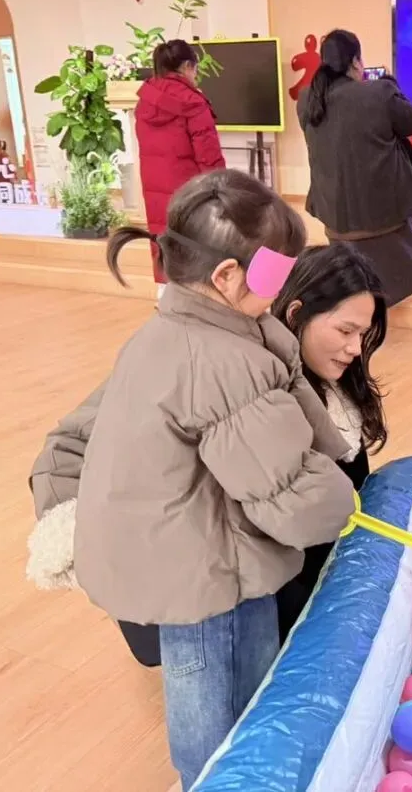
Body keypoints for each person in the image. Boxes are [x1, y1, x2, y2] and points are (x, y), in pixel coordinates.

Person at [75, 169, 356, 790]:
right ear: (228, 277)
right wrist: (350, 505)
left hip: (183, 555)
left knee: (226, 689)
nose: (284, 285)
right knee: (218, 708)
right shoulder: (220, 363)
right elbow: (286, 497)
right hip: (204, 576)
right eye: (276, 273)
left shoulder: (179, 330)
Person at [26, 244, 389, 659]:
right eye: (345, 331)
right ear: (295, 314)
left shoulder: (333, 396)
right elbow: (67, 447)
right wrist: (98, 540)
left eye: (364, 335)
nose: (356, 348)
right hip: (186, 581)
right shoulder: (207, 368)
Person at [298, 29, 412, 306]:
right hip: (383, 209)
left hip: (333, 211)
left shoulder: (307, 99)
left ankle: (361, 292)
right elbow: (411, 123)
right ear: (356, 61)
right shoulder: (379, 92)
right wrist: (391, 85)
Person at [135, 39, 226, 295]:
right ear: (187, 66)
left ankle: (165, 296)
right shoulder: (193, 102)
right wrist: (221, 191)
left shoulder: (145, 100)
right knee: (196, 246)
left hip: (154, 189)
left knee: (163, 240)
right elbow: (209, 157)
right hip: (191, 191)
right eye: (195, 68)